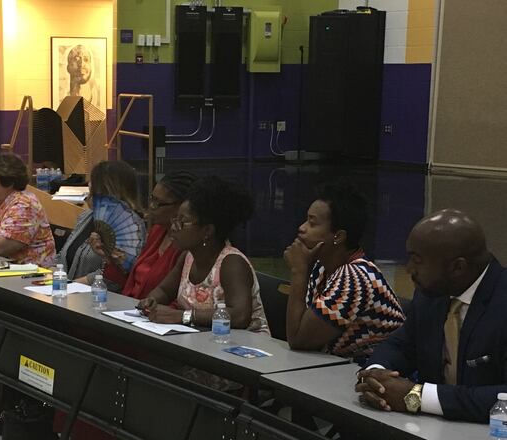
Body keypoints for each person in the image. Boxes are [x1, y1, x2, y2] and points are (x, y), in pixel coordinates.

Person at [357, 209, 507, 423]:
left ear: (458, 267)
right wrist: (376, 376)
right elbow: (400, 346)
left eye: (417, 261)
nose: (409, 269)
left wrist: (416, 397)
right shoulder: (431, 294)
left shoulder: (502, 303)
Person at [283, 183, 404, 362]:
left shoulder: (356, 277)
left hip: (374, 376)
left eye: (312, 222)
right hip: (336, 369)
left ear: (338, 236)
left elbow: (298, 339)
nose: (302, 227)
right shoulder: (322, 267)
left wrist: (298, 270)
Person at [137, 176, 269, 334]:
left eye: (182, 222)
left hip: (244, 350)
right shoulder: (187, 257)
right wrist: (152, 301)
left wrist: (183, 316)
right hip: (203, 343)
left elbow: (240, 316)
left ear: (207, 231)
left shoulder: (232, 263)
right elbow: (165, 291)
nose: (173, 228)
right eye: (175, 220)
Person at [93, 171, 197, 298]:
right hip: (130, 307)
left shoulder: (188, 243)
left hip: (154, 313)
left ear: (181, 206)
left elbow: (180, 298)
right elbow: (128, 282)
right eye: (152, 199)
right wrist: (111, 258)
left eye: (158, 203)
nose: (151, 207)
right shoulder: (157, 231)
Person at [57, 161, 145, 286]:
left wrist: (70, 285)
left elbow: (115, 275)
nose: (89, 186)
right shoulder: (86, 216)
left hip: (102, 297)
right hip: (71, 292)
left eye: (93, 183)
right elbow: (63, 254)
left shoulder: (130, 226)